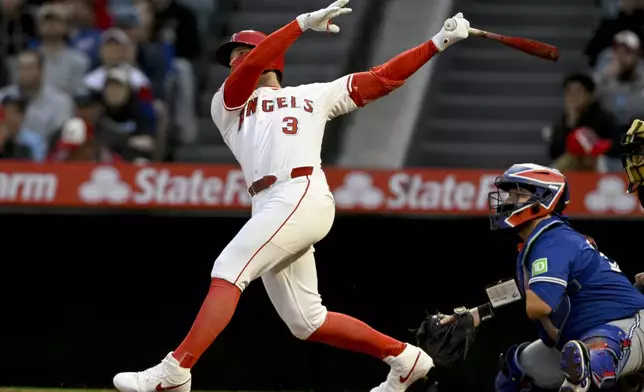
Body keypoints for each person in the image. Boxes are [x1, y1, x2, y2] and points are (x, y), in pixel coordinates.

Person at [112, 2, 471, 392]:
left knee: (229, 267)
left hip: (300, 191)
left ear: (273, 60)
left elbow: (380, 79)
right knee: (307, 321)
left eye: (241, 54)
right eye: (230, 58)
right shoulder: (227, 106)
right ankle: (405, 358)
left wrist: (437, 42)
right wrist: (299, 24)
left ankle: (176, 370)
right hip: (268, 201)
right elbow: (250, 70)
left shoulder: (315, 95)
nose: (234, 62)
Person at [483, 163, 644, 392]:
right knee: (515, 372)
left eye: (517, 194)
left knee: (591, 359)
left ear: (544, 199)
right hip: (576, 340)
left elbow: (538, 305)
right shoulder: (542, 239)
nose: (508, 200)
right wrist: (475, 315)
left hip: (627, 324)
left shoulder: (553, 241)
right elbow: (525, 291)